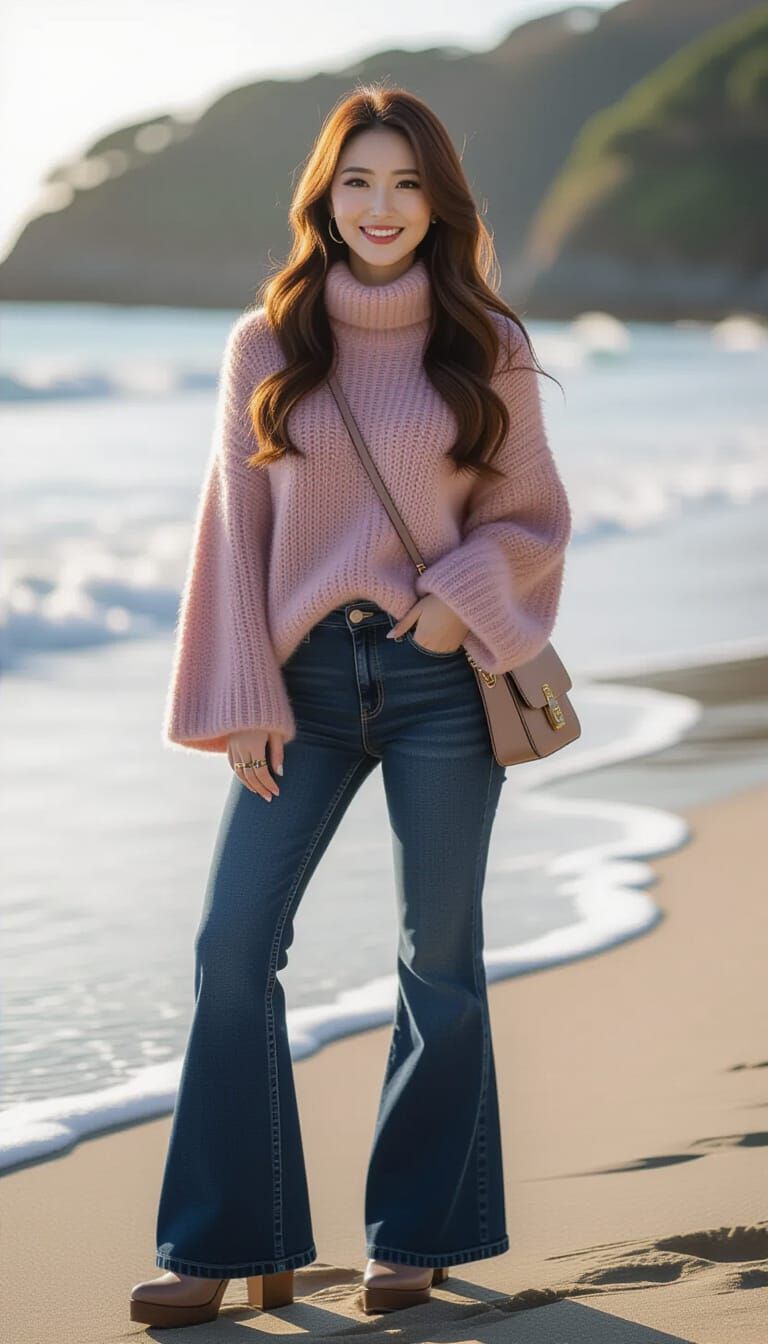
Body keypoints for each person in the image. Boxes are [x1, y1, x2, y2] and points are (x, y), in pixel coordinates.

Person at [130, 83, 572, 1328]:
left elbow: (531, 518)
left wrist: (453, 603)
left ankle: (416, 1235)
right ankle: (228, 1239)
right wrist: (242, 695)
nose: (380, 208)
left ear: (439, 201)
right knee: (230, 946)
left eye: (406, 184)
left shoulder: (488, 339)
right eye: (358, 183)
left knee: (439, 957)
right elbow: (233, 536)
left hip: (442, 682)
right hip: (305, 690)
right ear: (324, 195)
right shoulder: (267, 342)